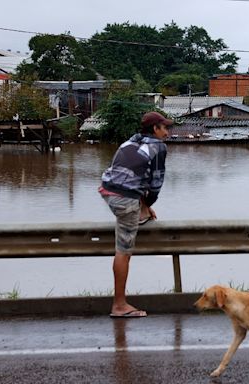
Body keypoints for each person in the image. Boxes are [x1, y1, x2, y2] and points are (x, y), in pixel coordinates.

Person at [99, 111, 173, 318]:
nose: (167, 132)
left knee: (132, 211)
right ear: (155, 129)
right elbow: (156, 183)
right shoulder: (158, 147)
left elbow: (128, 174)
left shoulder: (128, 143)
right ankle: (119, 305)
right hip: (124, 198)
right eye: (164, 128)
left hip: (108, 191)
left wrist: (143, 206)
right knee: (123, 251)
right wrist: (148, 203)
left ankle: (139, 212)